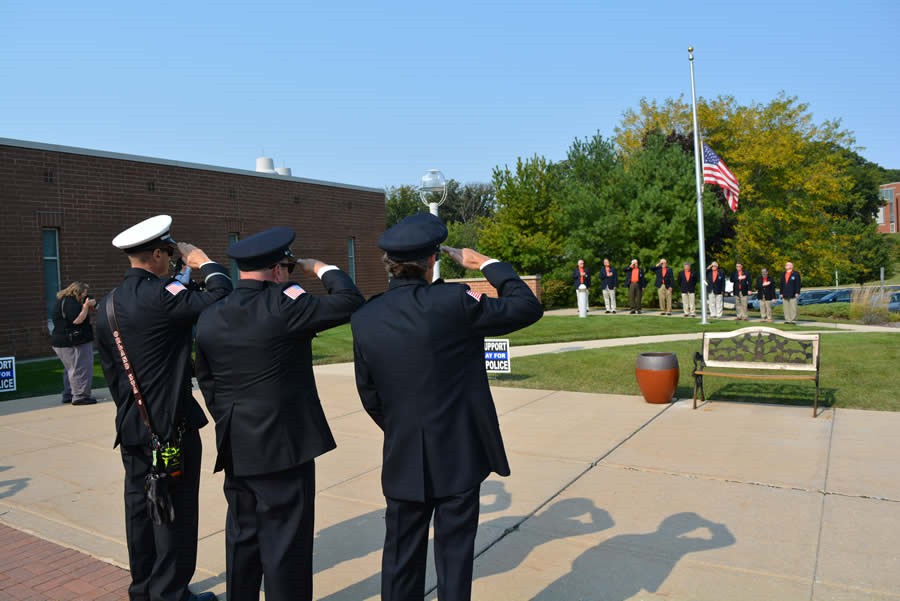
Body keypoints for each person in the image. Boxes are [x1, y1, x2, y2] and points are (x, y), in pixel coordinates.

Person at [351, 213, 543, 601]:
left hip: (403, 452)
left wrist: (403, 428)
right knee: (455, 559)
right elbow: (525, 306)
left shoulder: (366, 316)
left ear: (389, 263)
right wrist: (485, 263)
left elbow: (368, 392)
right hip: (458, 451)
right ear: (432, 260)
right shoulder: (455, 301)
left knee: (400, 558)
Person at [194, 227, 364, 601]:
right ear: (277, 270)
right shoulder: (285, 306)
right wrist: (322, 267)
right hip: (284, 447)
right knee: (286, 545)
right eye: (286, 266)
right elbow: (351, 300)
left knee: (243, 537)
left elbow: (206, 379)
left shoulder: (210, 315)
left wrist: (229, 417)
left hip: (236, 442)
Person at [95, 215, 231, 601]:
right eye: (168, 253)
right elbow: (222, 295)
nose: (172, 260)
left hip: (134, 429)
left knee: (140, 511)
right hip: (169, 433)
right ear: (156, 254)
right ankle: (171, 594)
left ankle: (143, 588)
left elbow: (112, 373)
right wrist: (203, 262)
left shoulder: (107, 305)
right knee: (173, 513)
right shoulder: (163, 297)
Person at [50, 281, 98, 405]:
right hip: (72, 341)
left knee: (71, 368)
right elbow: (77, 320)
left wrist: (87, 305)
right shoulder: (70, 303)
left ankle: (69, 394)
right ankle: (80, 397)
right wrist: (86, 307)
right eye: (84, 293)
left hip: (62, 341)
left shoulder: (65, 301)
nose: (85, 295)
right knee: (81, 367)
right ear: (78, 292)